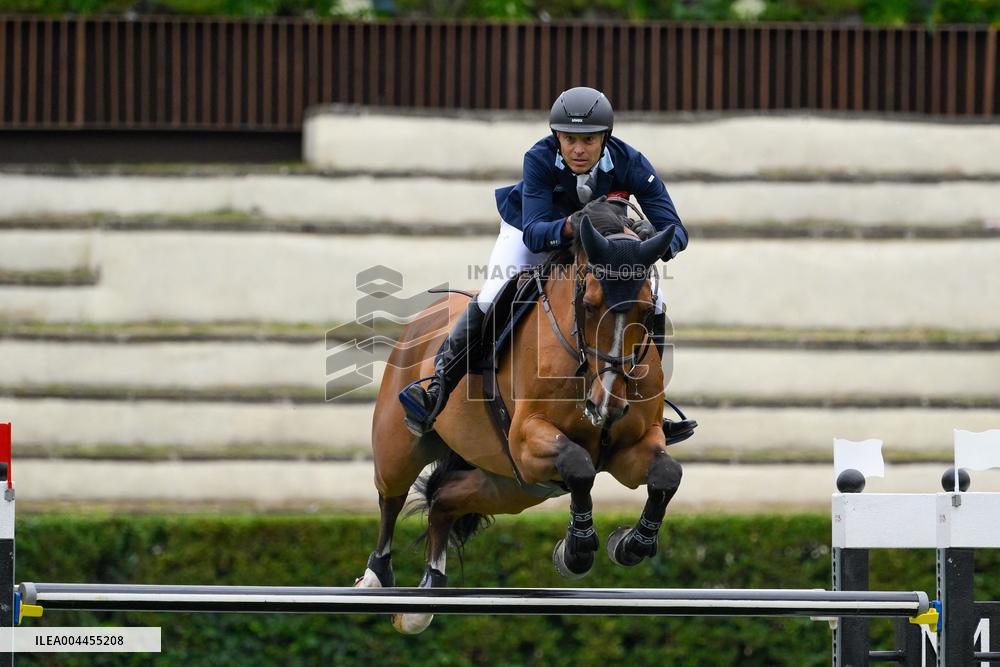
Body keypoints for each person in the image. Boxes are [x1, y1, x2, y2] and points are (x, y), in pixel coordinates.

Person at [400, 86, 697, 443]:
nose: (577, 149)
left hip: (600, 243)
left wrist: (654, 239)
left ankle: (651, 404)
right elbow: (536, 234)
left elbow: (675, 228)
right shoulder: (539, 158)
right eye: (569, 138)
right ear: (557, 135)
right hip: (532, 229)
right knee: (492, 292)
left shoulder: (630, 161)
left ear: (606, 137)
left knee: (655, 300)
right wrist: (573, 224)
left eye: (588, 140)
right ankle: (439, 387)